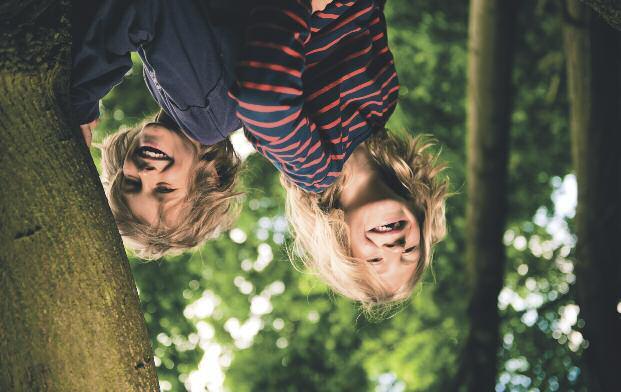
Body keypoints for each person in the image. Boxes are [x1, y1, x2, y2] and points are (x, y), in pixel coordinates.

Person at [229, 0, 449, 307]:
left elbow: (264, 101)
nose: (393, 246)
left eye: (375, 259)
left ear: (341, 247)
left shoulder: (316, 168)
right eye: (409, 250)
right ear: (420, 217)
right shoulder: (383, 104)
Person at [71, 0, 243, 258]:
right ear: (209, 178)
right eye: (164, 189)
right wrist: (81, 99)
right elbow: (148, 8)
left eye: (132, 182)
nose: (145, 173)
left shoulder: (189, 111)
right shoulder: (204, 113)